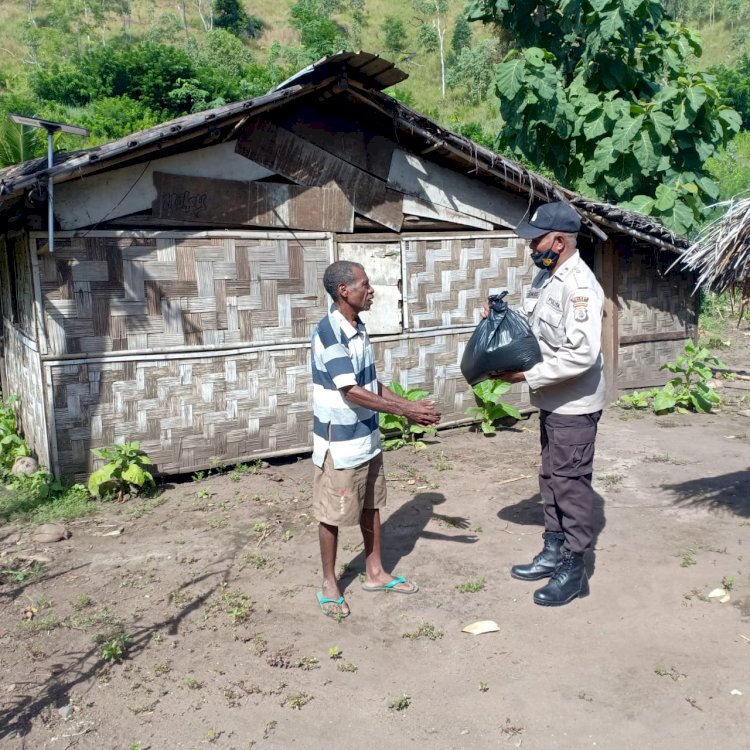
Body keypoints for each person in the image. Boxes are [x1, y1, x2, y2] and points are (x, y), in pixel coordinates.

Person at [489, 201, 606, 606]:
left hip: (574, 403)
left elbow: (582, 354)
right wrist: (501, 318)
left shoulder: (581, 287)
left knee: (570, 485)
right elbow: (530, 326)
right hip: (553, 402)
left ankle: (574, 569)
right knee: (551, 478)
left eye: (535, 240)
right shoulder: (545, 278)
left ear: (559, 240)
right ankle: (554, 548)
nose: (530, 247)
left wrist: (526, 376)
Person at [311, 260, 440, 619]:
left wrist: (409, 404)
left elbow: (369, 383)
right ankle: (328, 584)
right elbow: (351, 390)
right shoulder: (329, 333)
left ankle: (375, 572)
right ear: (344, 291)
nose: (372, 291)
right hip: (340, 443)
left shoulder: (358, 327)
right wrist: (406, 413)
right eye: (365, 285)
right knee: (331, 515)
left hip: (367, 436)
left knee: (372, 505)